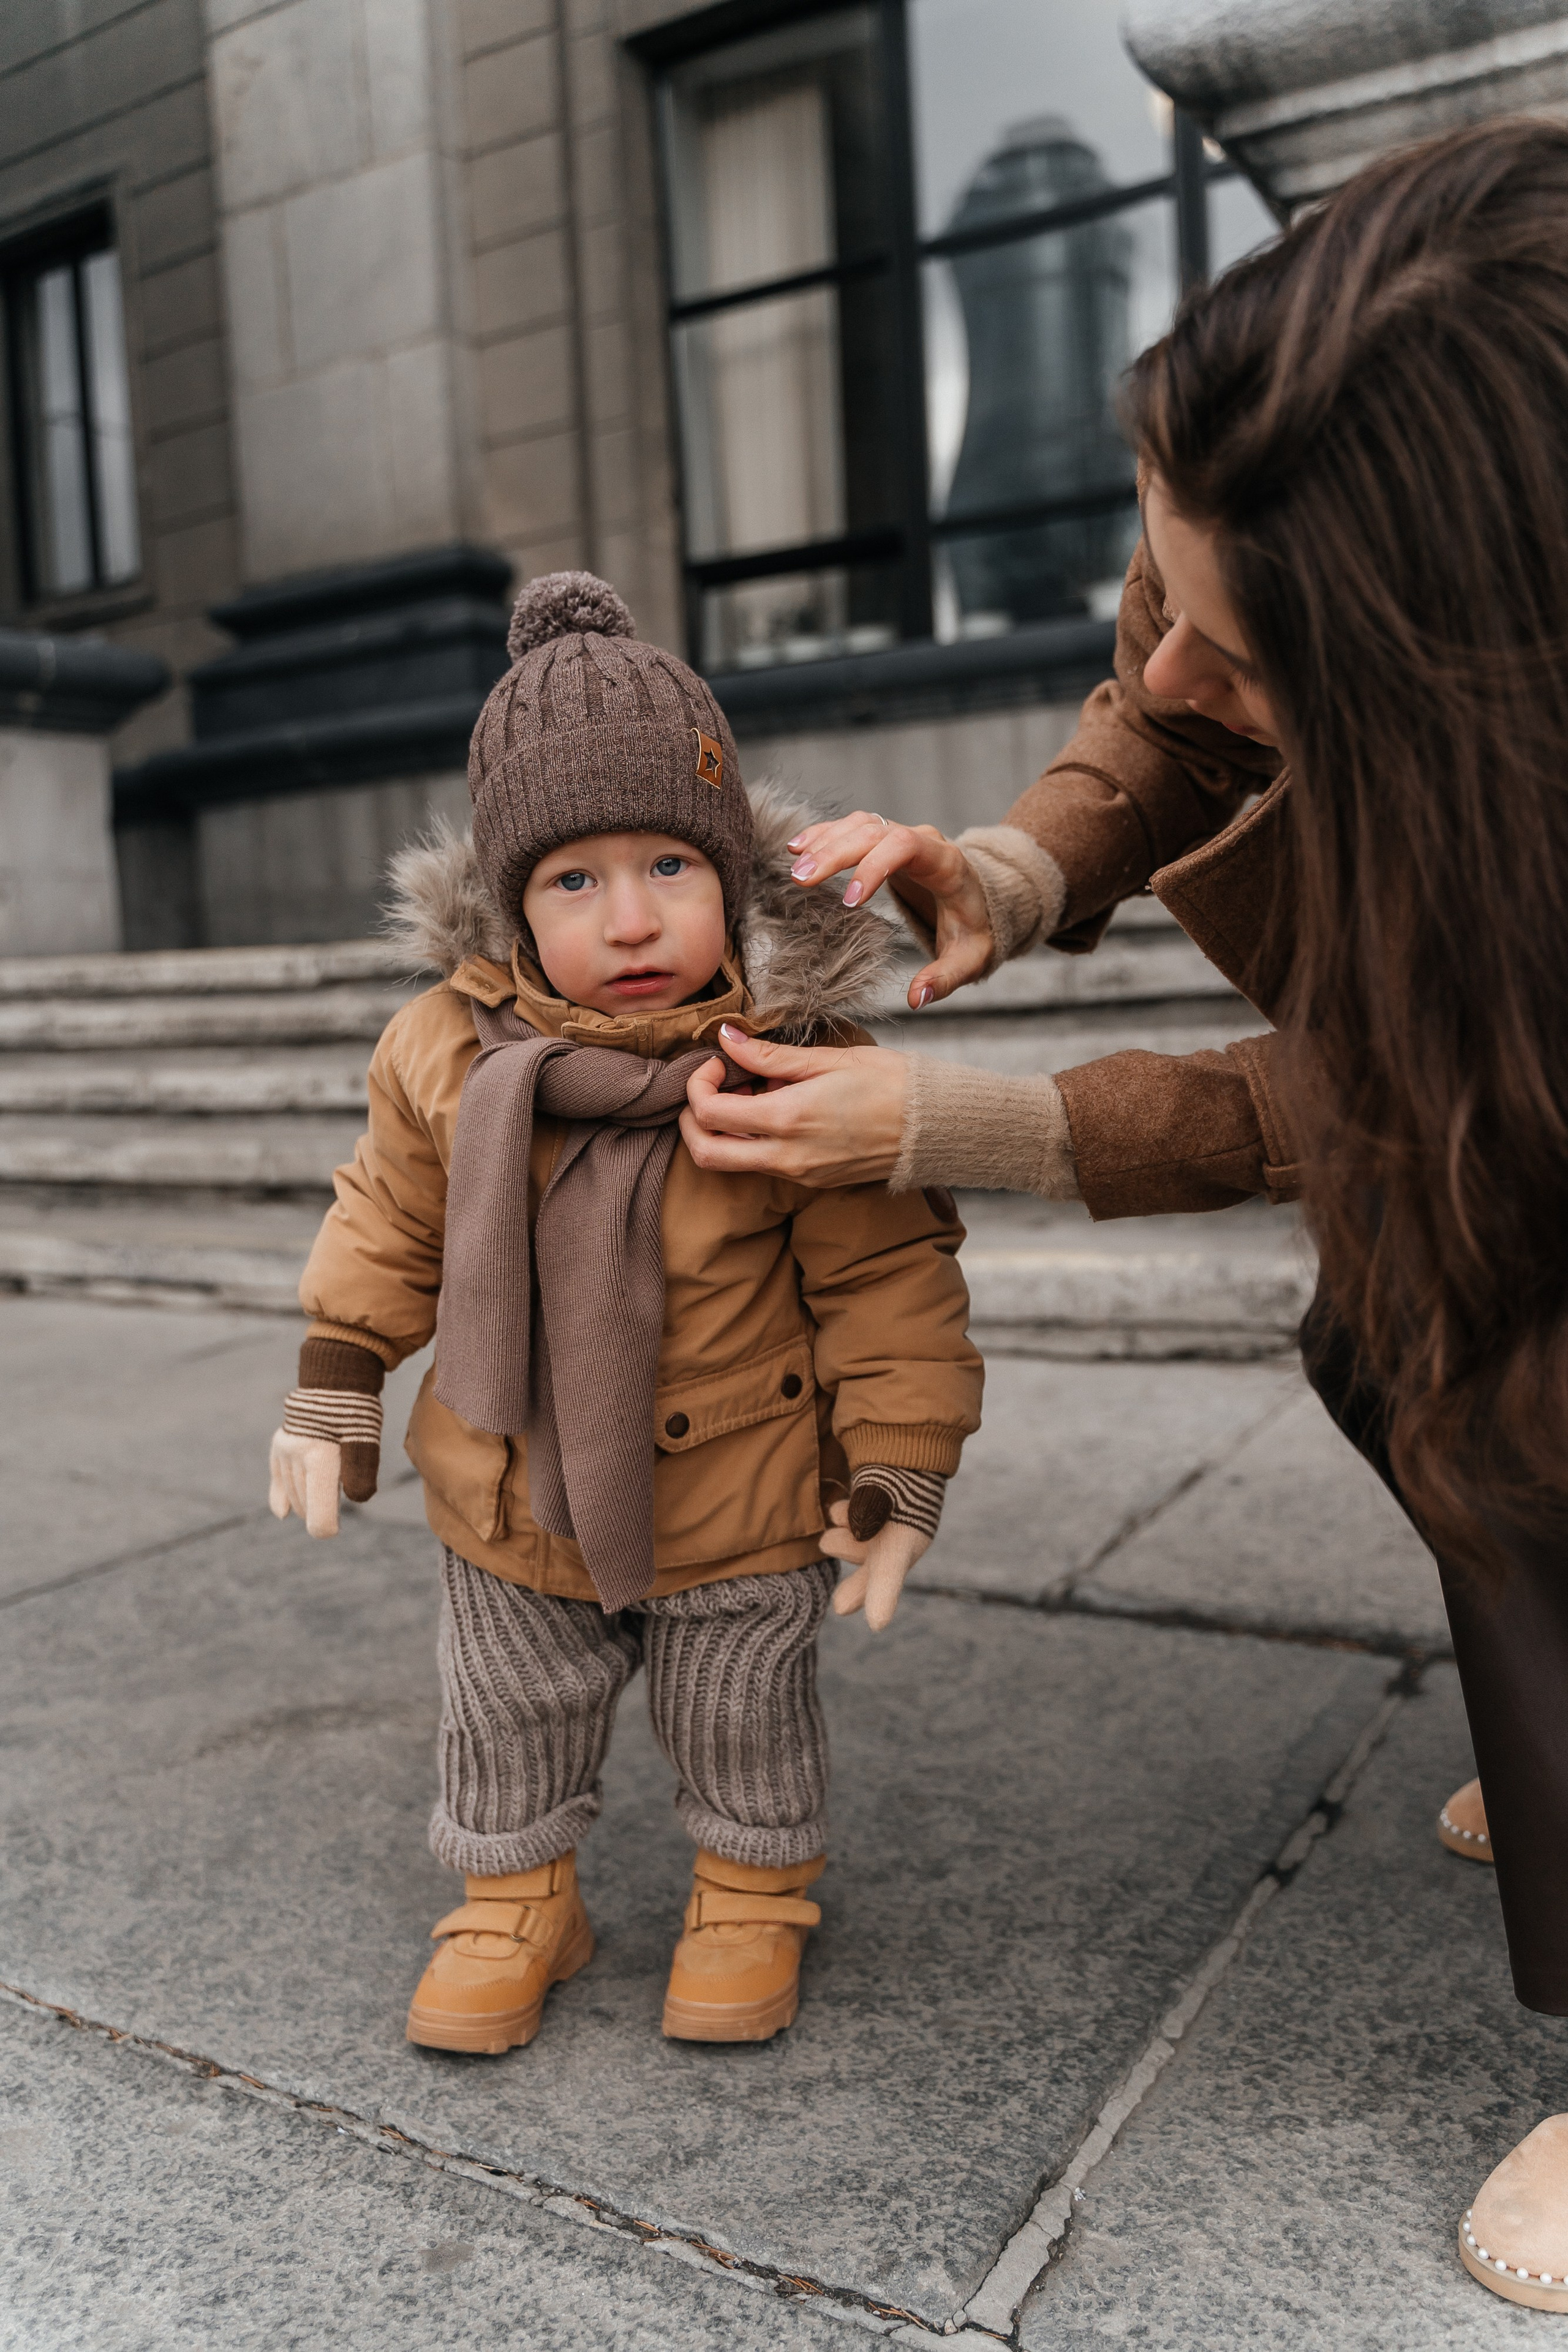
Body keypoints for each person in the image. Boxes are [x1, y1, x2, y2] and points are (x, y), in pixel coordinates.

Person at [680, 119, 1568, 2307]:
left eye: (1261, 665)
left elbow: (1379, 1087)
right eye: (1167, 574)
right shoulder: (1282, 510)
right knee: (1393, 1349)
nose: (1175, 671)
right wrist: (1006, 869)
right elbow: (1156, 704)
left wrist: (951, 1129)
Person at [267, 573, 981, 2055]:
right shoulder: (451, 1055)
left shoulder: (792, 1061)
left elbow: (880, 1272)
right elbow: (390, 1217)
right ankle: (519, 1894)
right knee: (509, 1705)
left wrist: (899, 1452)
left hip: (745, 1481)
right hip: (511, 1476)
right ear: (509, 904)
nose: (633, 916)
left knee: (744, 1706)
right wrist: (336, 1376)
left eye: (670, 861)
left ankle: (751, 1885)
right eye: (573, 880)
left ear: (732, 870)